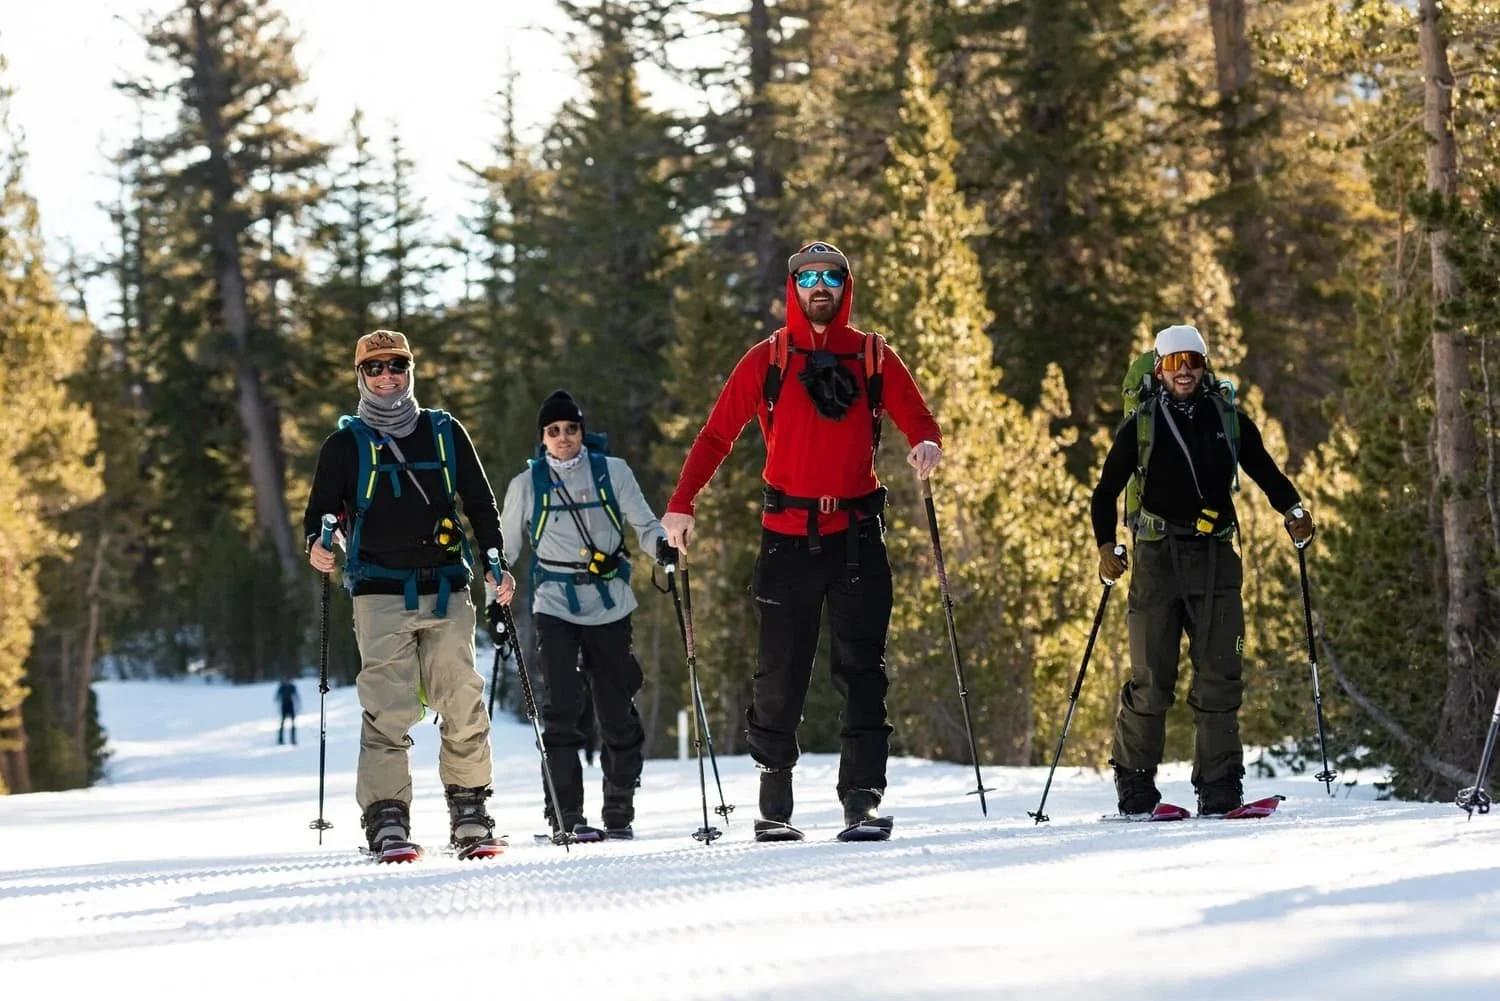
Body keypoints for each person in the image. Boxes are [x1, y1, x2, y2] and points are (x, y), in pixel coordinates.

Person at [661, 241, 943, 836]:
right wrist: (681, 504)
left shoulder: (871, 355)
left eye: (832, 278)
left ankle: (861, 800)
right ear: (794, 287)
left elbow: (916, 415)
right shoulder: (769, 359)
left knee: (863, 668)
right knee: (779, 671)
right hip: (785, 537)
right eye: (809, 277)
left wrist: (925, 440)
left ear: (846, 287)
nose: (821, 287)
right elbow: (715, 436)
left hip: (858, 535)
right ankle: (774, 803)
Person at [304, 329, 516, 857]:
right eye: (374, 368)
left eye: (396, 365)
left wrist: (494, 562)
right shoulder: (343, 445)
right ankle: (386, 818)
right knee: (387, 708)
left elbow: (481, 503)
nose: (386, 376)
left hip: (445, 586)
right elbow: (319, 515)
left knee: (462, 698)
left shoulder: (445, 432)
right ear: (361, 376)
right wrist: (319, 545)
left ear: (410, 370)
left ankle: (469, 810)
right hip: (377, 592)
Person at [1091, 323, 1315, 817]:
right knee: (1152, 682)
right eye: (1174, 363)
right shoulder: (1142, 424)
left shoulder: (1229, 419)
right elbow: (1105, 491)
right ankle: (1136, 792)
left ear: (1205, 364)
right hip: (1156, 562)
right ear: (1159, 369)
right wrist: (1106, 546)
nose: (1185, 371)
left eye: (1192, 361)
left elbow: (1267, 472)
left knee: (1219, 679)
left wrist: (1295, 512)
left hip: (1215, 560)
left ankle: (1219, 793)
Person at [499, 390, 666, 841]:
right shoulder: (526, 485)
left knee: (616, 710)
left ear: (582, 432)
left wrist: (663, 549)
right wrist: (496, 575)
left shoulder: (612, 472)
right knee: (561, 710)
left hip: (611, 603)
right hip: (554, 604)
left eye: (570, 429)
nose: (563, 438)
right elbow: (506, 549)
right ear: (543, 439)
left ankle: (618, 807)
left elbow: (646, 525)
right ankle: (566, 813)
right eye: (554, 431)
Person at [274, 677, 300, 745]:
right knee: (282, 724)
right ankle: (280, 740)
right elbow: (277, 697)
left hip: (290, 706)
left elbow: (296, 696)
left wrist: (298, 705)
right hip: (284, 706)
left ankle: (293, 739)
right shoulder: (281, 687)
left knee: (293, 723)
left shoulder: (292, 687)